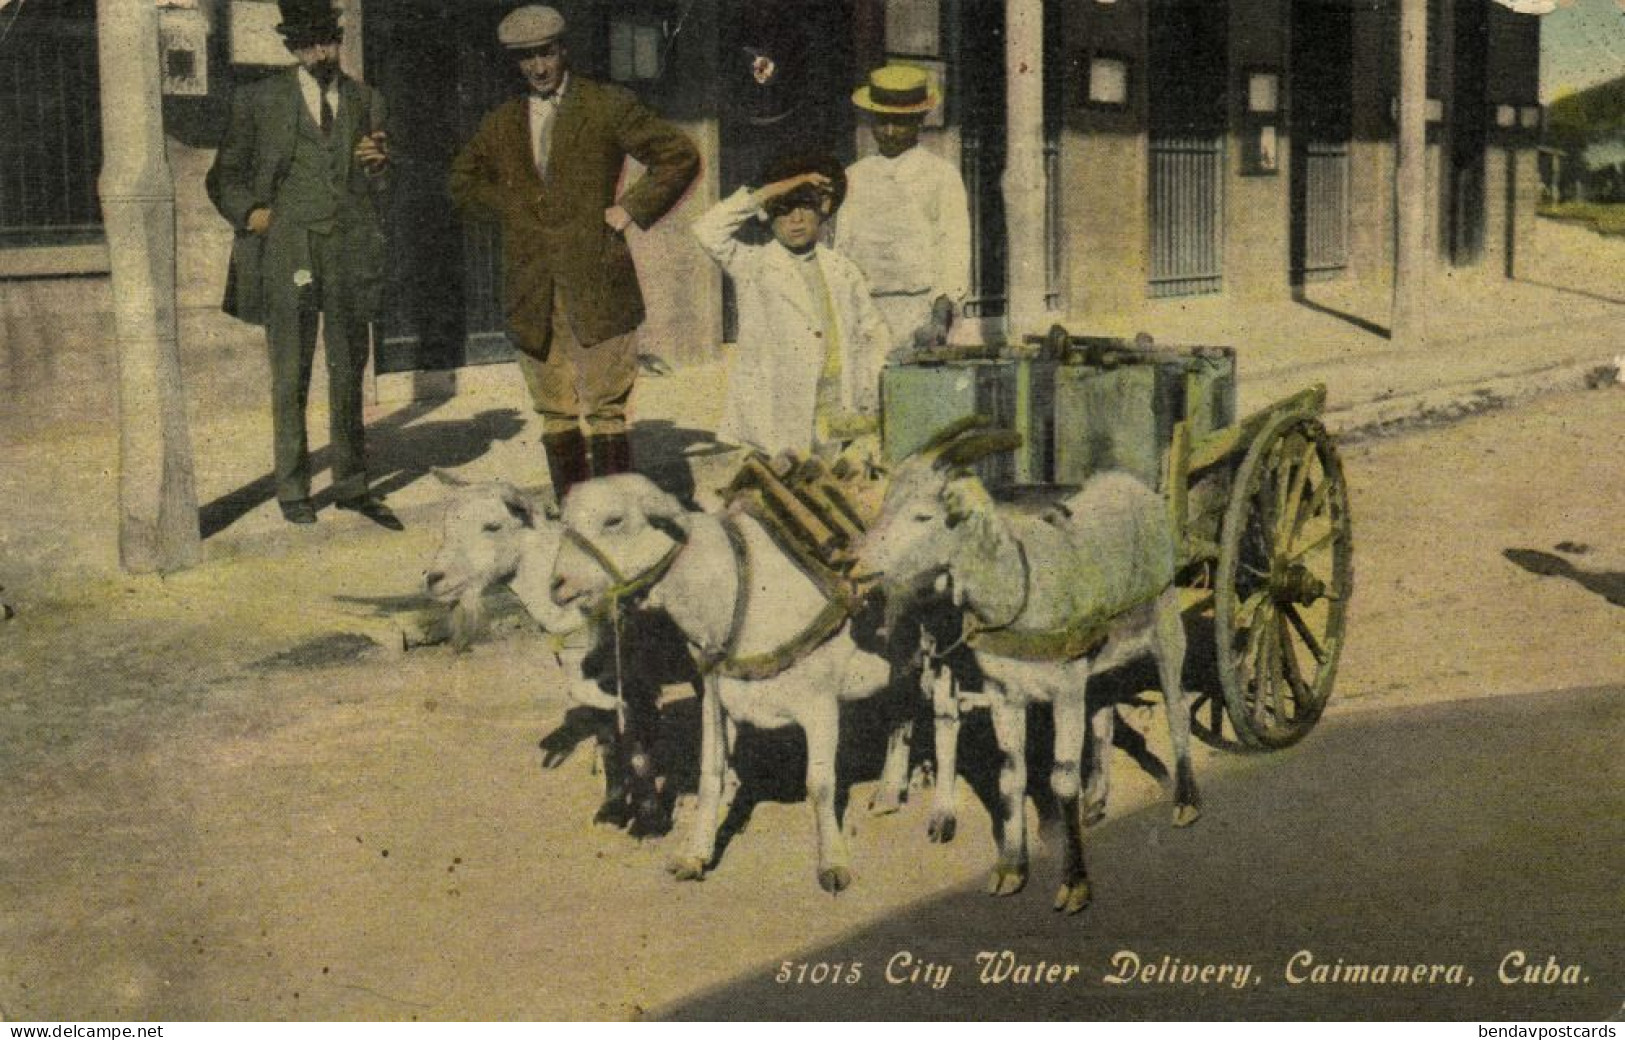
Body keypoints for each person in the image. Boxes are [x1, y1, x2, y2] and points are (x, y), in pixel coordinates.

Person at [449, 5, 700, 496]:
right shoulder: (502, 121)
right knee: (554, 409)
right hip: (533, 291)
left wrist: (629, 208)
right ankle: (572, 522)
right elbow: (462, 181)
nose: (538, 68)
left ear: (563, 50)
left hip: (597, 281)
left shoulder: (606, 105)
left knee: (607, 409)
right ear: (514, 62)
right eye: (526, 58)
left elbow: (679, 155)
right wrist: (513, 209)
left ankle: (618, 527)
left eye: (546, 53)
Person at [207, 0, 400, 529]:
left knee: (348, 369)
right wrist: (254, 215)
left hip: (348, 251)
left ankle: (353, 483)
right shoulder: (259, 100)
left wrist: (382, 167)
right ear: (291, 47)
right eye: (310, 43)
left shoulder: (367, 100)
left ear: (339, 39)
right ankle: (293, 488)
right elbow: (223, 177)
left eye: (329, 40)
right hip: (289, 252)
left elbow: (380, 182)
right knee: (291, 372)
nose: (322, 52)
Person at [691, 154, 892, 458]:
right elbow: (707, 230)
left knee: (832, 485)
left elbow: (872, 331)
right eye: (782, 210)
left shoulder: (842, 269)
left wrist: (872, 395)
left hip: (837, 396)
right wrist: (777, 187)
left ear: (822, 210)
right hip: (778, 409)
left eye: (804, 207)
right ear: (767, 217)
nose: (795, 219)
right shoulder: (753, 265)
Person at [834, 64, 973, 352]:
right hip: (863, 313)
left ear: (919, 120)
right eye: (882, 121)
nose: (889, 131)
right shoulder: (854, 176)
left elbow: (954, 248)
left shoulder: (940, 176)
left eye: (900, 122)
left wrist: (937, 319)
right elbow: (842, 249)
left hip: (918, 311)